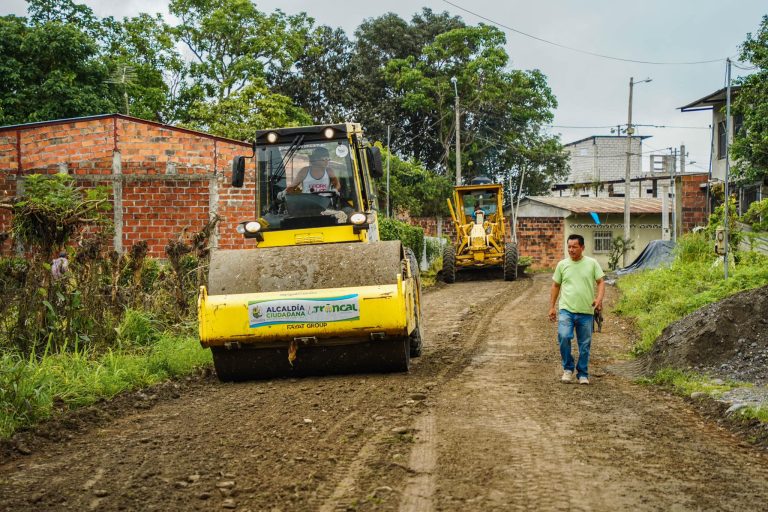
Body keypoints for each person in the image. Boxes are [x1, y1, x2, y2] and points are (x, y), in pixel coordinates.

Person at [548, 234, 605, 385]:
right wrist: (552, 307)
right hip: (566, 310)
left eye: (574, 247)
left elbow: (600, 282)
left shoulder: (592, 263)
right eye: (569, 247)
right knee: (564, 337)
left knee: (585, 345)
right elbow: (555, 285)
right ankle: (568, 369)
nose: (571, 250)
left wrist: (599, 299)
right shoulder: (562, 265)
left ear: (582, 248)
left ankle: (583, 373)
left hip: (586, 311)